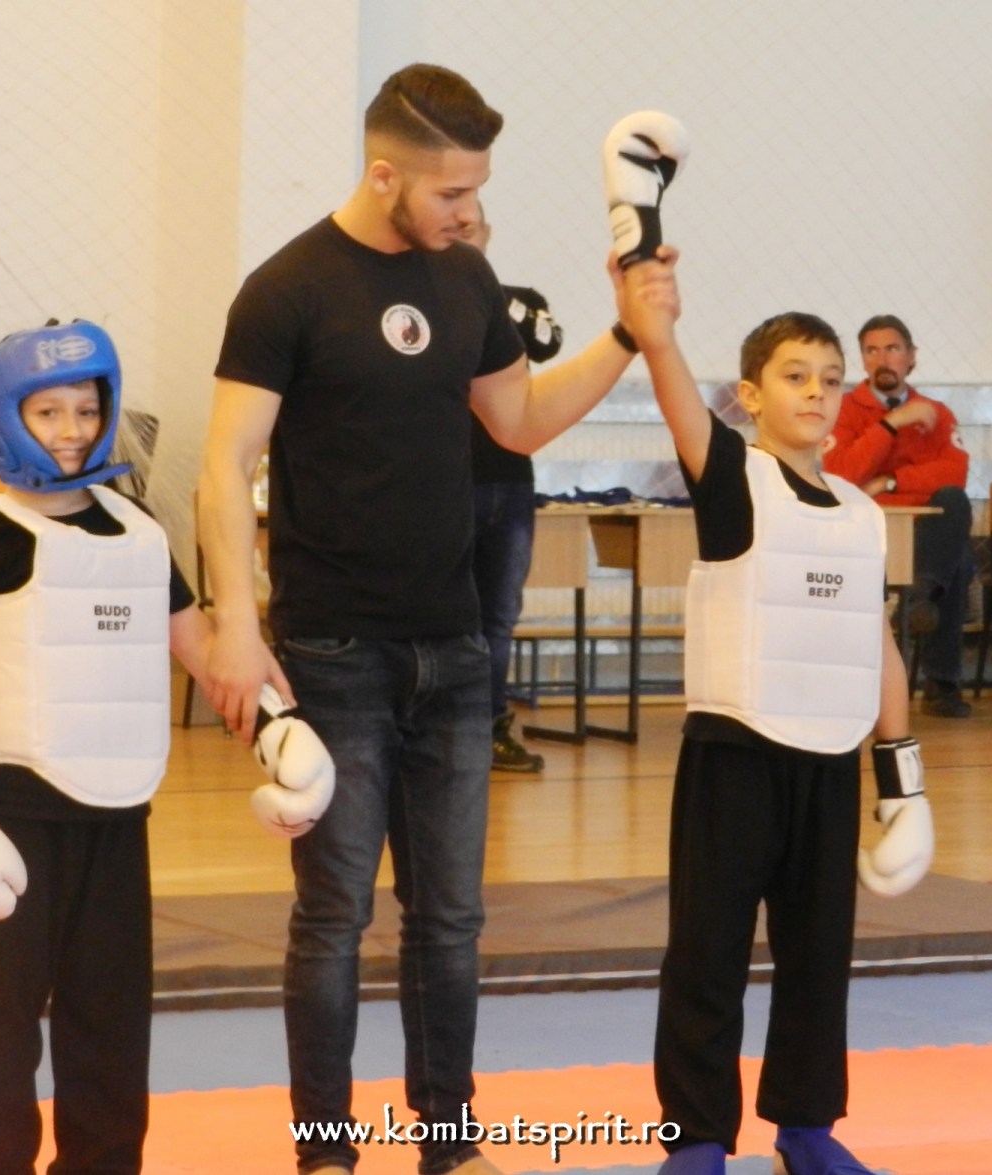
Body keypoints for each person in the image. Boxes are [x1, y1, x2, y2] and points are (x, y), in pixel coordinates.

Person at [198, 65, 672, 1175]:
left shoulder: (467, 277)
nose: (471, 211)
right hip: (333, 649)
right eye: (453, 192)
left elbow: (520, 420)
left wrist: (628, 333)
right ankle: (326, 1152)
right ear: (385, 175)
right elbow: (223, 465)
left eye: (478, 189)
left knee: (451, 918)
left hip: (453, 647)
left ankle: (448, 1144)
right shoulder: (287, 288)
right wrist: (235, 622)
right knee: (333, 917)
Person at [616, 253, 935, 1175]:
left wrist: (903, 782)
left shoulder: (861, 513)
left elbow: (877, 643)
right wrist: (655, 331)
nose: (818, 393)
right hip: (736, 754)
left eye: (831, 379)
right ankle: (697, 1137)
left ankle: (807, 1128)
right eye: (796, 376)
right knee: (707, 955)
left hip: (830, 761)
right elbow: (680, 398)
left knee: (819, 957)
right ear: (751, 395)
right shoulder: (732, 479)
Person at [0, 320, 214, 1175]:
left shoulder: (139, 531)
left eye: (86, 409)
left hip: (117, 815)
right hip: (8, 817)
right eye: (48, 411)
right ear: (3, 419)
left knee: (112, 1017)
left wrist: (274, 718)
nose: (73, 429)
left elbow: (199, 646)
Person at [822, 315, 973, 717]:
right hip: (866, 530)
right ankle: (941, 684)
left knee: (954, 507)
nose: (882, 359)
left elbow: (954, 474)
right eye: (871, 351)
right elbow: (841, 476)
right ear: (862, 360)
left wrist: (890, 481)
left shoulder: (936, 413)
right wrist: (891, 424)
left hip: (924, 532)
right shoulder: (844, 409)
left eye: (892, 349)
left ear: (911, 357)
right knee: (957, 562)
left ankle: (918, 596)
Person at [464, 205, 563, 773]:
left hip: (510, 482)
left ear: (486, 234)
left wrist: (491, 295)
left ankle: (490, 727)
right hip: (443, 483)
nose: (461, 234)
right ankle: (438, 728)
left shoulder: (516, 301)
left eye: (470, 227)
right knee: (444, 612)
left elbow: (547, 341)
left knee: (499, 614)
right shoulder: (418, 303)